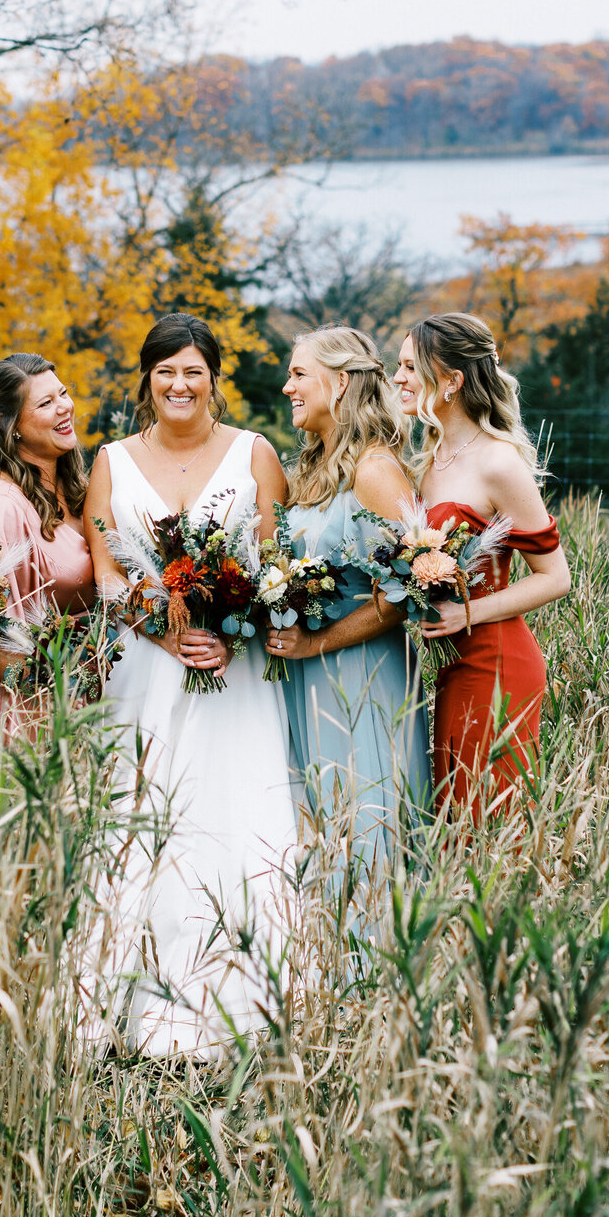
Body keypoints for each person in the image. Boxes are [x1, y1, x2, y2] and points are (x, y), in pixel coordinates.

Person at [83, 312, 296, 1056]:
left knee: (233, 818)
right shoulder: (110, 459)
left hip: (233, 673)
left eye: (193, 371)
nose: (179, 383)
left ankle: (239, 1003)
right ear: (146, 378)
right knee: (141, 821)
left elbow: (278, 563)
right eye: (165, 370)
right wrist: (158, 629)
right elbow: (107, 567)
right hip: (146, 670)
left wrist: (234, 630)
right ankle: (133, 1005)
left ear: (214, 380)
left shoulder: (255, 453)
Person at [265, 328, 432, 894]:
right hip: (306, 680)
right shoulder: (314, 471)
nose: (287, 385)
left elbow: (404, 593)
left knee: (365, 825)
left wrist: (317, 642)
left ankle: (374, 970)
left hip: (362, 678)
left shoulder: (375, 471)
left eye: (298, 373)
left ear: (339, 384)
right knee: (320, 830)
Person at [393, 313, 571, 821]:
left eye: (411, 366)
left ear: (452, 381)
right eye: (398, 365)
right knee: (453, 817)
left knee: (486, 824)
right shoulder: (426, 460)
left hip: (497, 662)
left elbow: (556, 578)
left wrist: (465, 615)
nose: (399, 378)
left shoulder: (499, 463)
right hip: (450, 663)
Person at [0, 353, 95, 741]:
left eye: (62, 394)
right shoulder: (0, 507)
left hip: (71, 705)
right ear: (10, 424)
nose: (64, 407)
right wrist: (55, 686)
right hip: (18, 719)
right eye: (46, 403)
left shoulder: (69, 484)